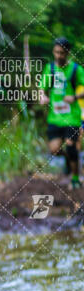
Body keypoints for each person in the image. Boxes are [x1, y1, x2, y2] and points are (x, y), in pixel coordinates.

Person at [39, 37, 84, 190]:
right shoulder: (50, 69)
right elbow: (42, 88)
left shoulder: (76, 70)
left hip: (72, 117)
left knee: (71, 147)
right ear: (53, 51)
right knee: (54, 150)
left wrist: (75, 97)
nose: (59, 56)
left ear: (68, 53)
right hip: (55, 117)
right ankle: (68, 162)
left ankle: (75, 179)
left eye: (62, 53)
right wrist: (43, 97)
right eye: (56, 52)